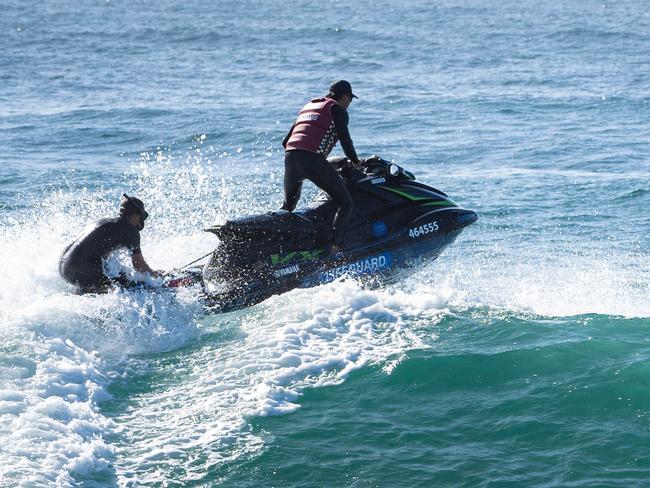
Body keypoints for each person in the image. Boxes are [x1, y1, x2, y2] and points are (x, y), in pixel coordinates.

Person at [282, 80, 361, 249]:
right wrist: (356, 162)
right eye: (350, 100)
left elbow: (285, 141)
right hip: (311, 160)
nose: (349, 104)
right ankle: (334, 248)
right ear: (345, 97)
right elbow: (346, 142)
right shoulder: (337, 110)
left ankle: (280, 246)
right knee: (346, 202)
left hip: (290, 158)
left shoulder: (309, 107)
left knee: (287, 208)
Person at [59, 194, 162, 294]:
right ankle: (91, 290)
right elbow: (139, 265)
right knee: (125, 289)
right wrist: (156, 276)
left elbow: (98, 253)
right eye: (142, 217)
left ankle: (85, 290)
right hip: (80, 269)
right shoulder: (130, 230)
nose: (141, 222)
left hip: (64, 267)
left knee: (118, 278)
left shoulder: (105, 222)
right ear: (136, 214)